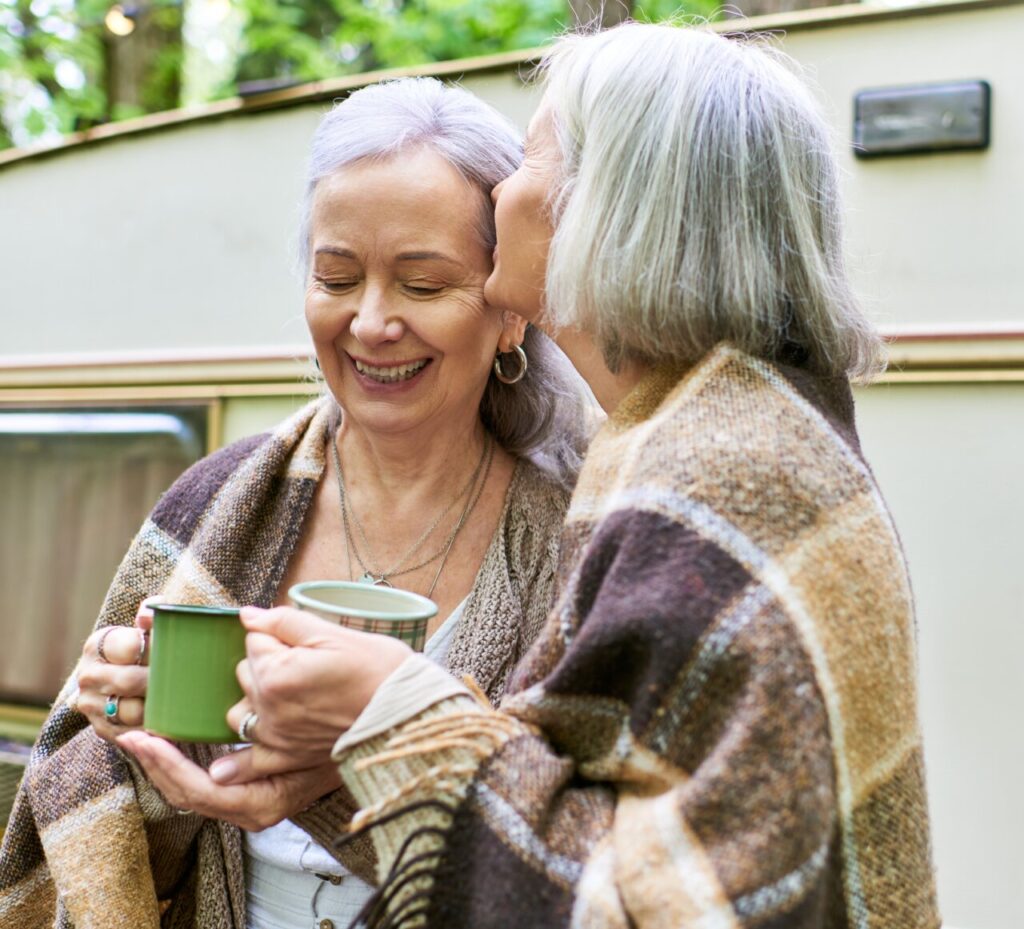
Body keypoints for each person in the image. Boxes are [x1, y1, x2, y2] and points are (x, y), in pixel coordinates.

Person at [117, 22, 940, 929]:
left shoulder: (721, 480)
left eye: (535, 159)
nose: (507, 186)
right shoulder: (710, 442)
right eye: (337, 276)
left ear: (615, 212)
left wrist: (393, 721)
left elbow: (688, 901)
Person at [0, 78, 590, 929]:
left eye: (423, 284)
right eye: (337, 276)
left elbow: (586, 864)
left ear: (508, 313)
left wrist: (349, 764)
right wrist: (117, 716)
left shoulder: (572, 540)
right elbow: (85, 795)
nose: (371, 322)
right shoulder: (215, 500)